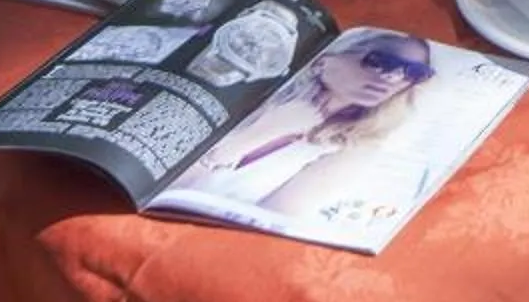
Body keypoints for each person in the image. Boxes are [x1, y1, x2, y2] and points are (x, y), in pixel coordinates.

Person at [178, 30, 440, 230]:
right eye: (382, 60)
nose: (393, 77)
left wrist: (255, 137)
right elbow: (156, 183)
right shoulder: (254, 91)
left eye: (415, 72)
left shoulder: (352, 150)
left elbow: (265, 227)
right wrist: (262, 130)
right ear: (326, 59)